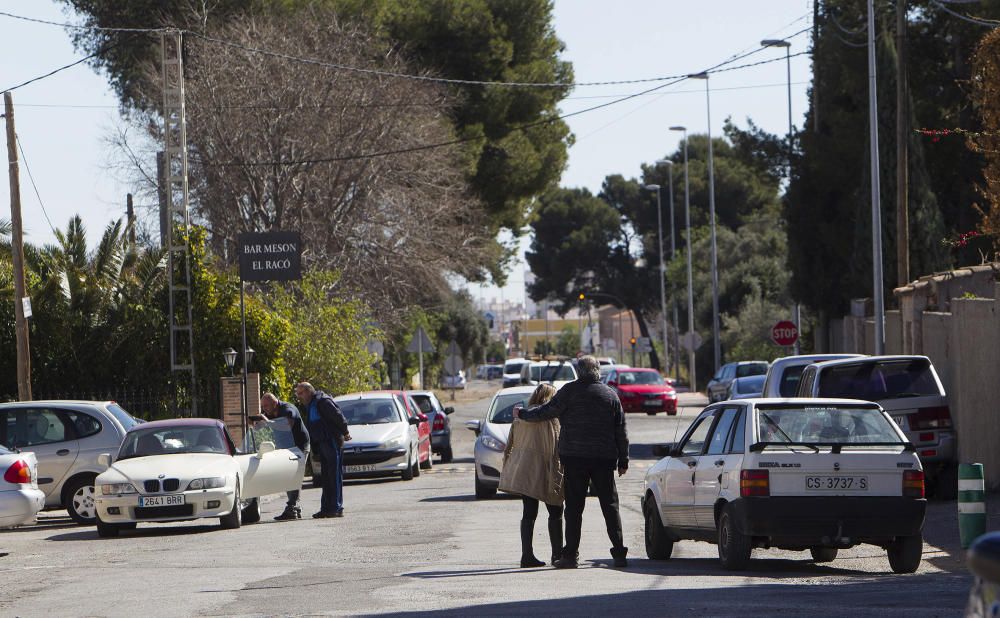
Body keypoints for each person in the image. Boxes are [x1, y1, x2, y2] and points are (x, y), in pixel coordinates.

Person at [516, 355, 630, 568]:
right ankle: (619, 553)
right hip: (604, 459)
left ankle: (570, 556)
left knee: (574, 509)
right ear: (598, 371)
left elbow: (545, 412)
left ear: (579, 371)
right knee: (610, 506)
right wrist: (623, 459)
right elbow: (621, 430)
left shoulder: (569, 392)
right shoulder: (611, 396)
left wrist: (523, 414)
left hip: (574, 459)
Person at [499, 383, 563, 568]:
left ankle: (527, 555)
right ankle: (557, 555)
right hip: (546, 469)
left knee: (529, 512)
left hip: (524, 471)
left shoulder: (520, 417)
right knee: (556, 511)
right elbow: (557, 447)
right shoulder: (552, 419)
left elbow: (510, 444)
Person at [295, 381, 351, 518]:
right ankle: (326, 508)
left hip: (331, 441)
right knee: (326, 477)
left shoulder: (322, 401)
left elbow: (338, 416)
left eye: (301, 393)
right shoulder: (312, 403)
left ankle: (336, 508)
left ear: (308, 391)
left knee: (334, 476)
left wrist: (345, 432)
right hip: (322, 443)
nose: (299, 396)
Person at [256, 392, 311, 521]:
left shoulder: (288, 409)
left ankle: (292, 507)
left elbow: (287, 424)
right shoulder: (269, 413)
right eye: (262, 406)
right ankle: (294, 508)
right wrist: (256, 424)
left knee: (295, 475)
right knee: (287, 477)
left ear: (275, 403)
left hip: (300, 446)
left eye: (266, 406)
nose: (264, 409)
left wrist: (267, 422)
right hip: (285, 448)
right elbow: (265, 425)